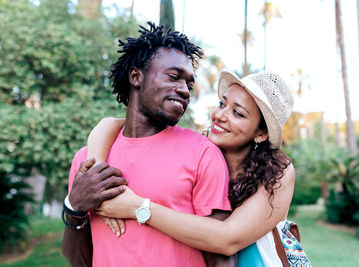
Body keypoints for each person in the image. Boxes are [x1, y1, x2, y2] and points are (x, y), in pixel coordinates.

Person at [89, 70, 311, 266]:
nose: (220, 116)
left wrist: (137, 208)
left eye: (238, 113)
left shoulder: (278, 172)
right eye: (222, 104)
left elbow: (228, 239)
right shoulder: (201, 149)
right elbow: (110, 124)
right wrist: (96, 178)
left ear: (261, 133)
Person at [61, 22, 232, 267]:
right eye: (173, 77)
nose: (184, 90)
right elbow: (80, 261)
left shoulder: (203, 153)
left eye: (189, 84)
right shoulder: (88, 160)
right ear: (136, 76)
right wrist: (74, 207)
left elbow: (221, 255)